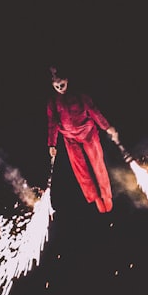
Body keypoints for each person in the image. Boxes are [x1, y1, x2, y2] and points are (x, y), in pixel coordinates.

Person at [46, 66, 119, 213]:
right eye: (57, 86)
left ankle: (106, 195)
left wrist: (107, 127)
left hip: (88, 133)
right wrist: (52, 144)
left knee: (97, 163)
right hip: (69, 138)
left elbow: (94, 111)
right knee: (81, 170)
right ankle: (95, 197)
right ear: (52, 85)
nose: (60, 88)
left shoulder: (80, 96)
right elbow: (52, 123)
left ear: (67, 80)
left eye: (62, 84)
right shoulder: (53, 102)